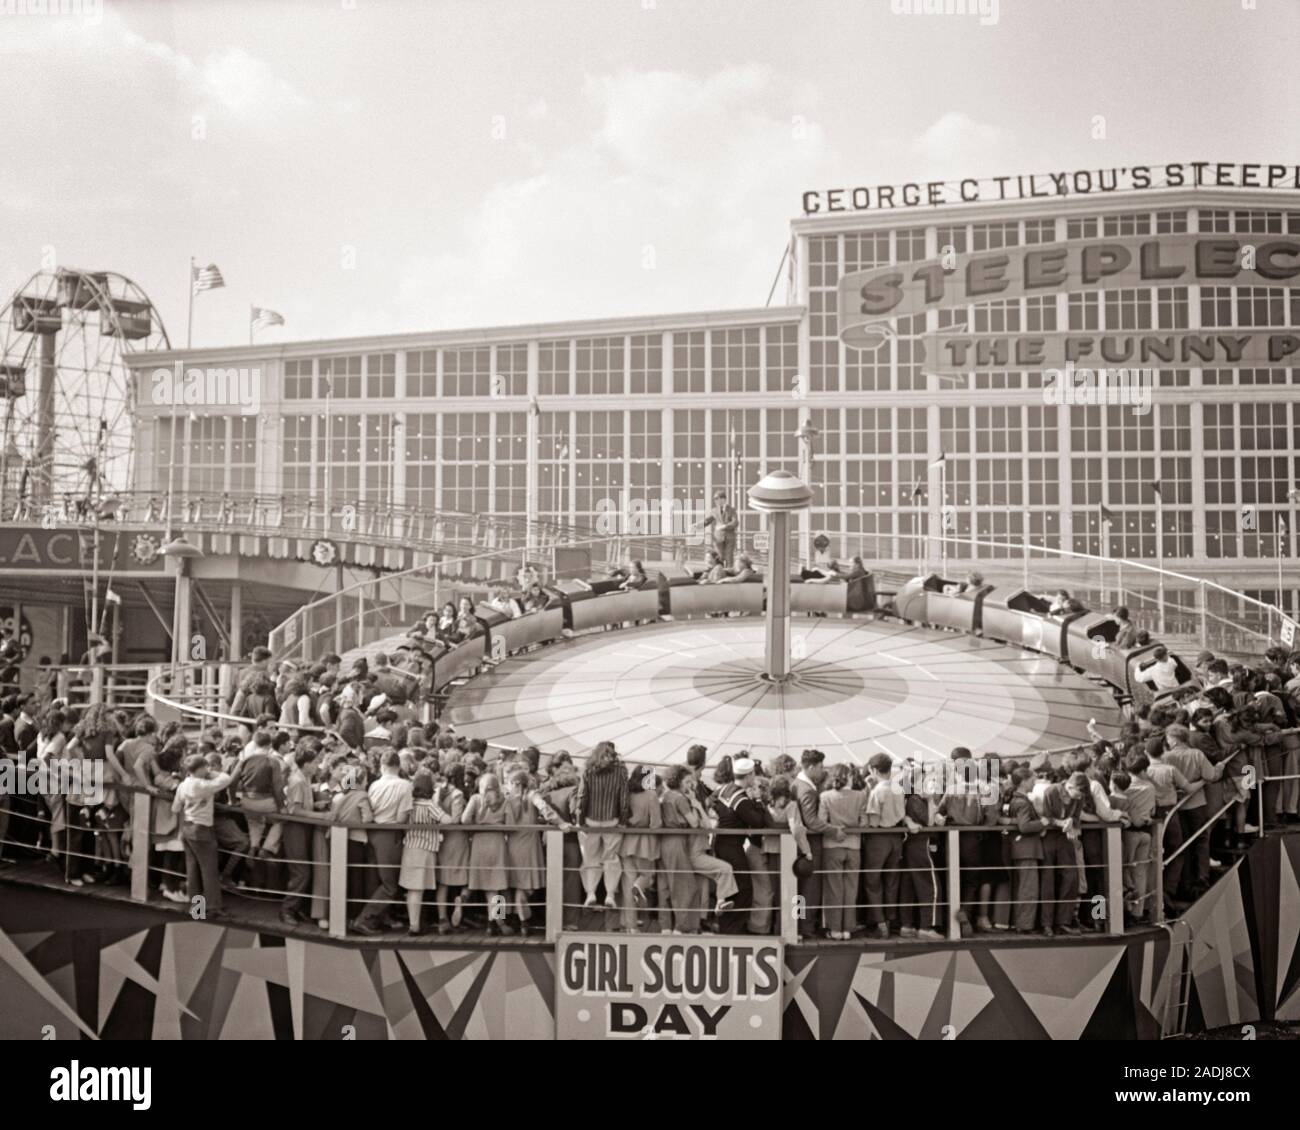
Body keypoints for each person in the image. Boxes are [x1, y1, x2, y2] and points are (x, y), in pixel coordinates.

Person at [352, 749, 413, 935]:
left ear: (382, 766)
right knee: (389, 884)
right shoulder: (405, 786)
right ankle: (364, 919)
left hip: (372, 833)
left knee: (374, 879)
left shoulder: (373, 785)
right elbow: (402, 818)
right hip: (390, 834)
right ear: (398, 766)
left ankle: (377, 918)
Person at [171, 753, 234, 919]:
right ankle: (213, 906)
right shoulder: (202, 785)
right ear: (199, 769)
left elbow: (176, 808)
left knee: (192, 870)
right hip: (202, 829)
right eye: (205, 767)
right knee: (209, 870)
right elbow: (226, 779)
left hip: (187, 828)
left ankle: (197, 908)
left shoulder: (183, 785)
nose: (208, 769)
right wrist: (211, 773)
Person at [711, 756, 767, 933]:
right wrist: (757, 800)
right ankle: (731, 929)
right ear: (749, 776)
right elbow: (758, 821)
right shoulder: (740, 799)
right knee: (742, 889)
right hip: (732, 847)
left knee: (731, 887)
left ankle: (725, 925)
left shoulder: (725, 789)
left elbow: (712, 800)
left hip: (720, 843)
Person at [573, 740, 629, 912]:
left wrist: (579, 821)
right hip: (612, 821)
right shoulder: (620, 772)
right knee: (611, 859)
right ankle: (610, 895)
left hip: (590, 821)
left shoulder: (588, 771)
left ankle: (590, 893)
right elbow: (624, 799)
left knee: (590, 860)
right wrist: (623, 821)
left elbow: (582, 797)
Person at [817, 764, 867, 940]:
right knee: (851, 889)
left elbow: (822, 822)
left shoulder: (825, 796)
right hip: (854, 846)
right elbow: (864, 823)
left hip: (832, 846)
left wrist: (837, 828)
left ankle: (834, 928)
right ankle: (848, 928)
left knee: (833, 889)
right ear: (850, 777)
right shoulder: (861, 796)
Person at [463, 772, 511, 934]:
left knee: (488, 887)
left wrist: (476, 825)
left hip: (479, 843)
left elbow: (464, 820)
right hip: (497, 842)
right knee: (498, 884)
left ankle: (493, 921)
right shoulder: (504, 800)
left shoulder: (476, 799)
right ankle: (497, 921)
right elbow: (508, 822)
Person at [619, 766, 663, 933]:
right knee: (647, 876)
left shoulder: (627, 794)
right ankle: (639, 885)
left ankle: (630, 925)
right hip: (645, 843)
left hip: (627, 842)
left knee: (627, 884)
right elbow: (656, 824)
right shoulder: (651, 795)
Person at [399, 769, 442, 936]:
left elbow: (401, 820)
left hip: (410, 846)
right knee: (498, 890)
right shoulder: (430, 805)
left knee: (413, 890)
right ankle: (499, 920)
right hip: (425, 848)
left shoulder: (411, 804)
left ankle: (414, 923)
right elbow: (447, 819)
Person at [702, 490, 738, 568]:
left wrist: (725, 526)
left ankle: (729, 573)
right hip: (718, 537)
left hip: (729, 537)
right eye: (715, 499)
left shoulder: (731, 510)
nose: (715, 501)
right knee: (719, 556)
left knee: (729, 556)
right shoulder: (714, 511)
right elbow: (707, 521)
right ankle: (720, 572)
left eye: (717, 498)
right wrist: (698, 525)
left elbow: (735, 522)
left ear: (723, 499)